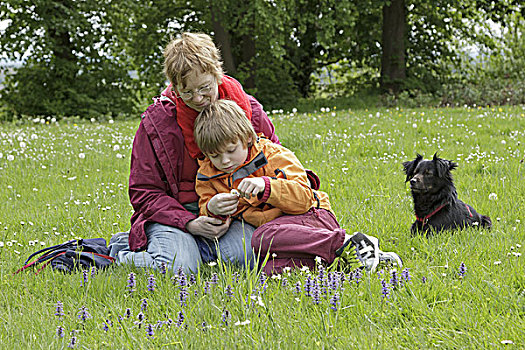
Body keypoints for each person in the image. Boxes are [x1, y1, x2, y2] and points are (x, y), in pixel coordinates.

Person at [109, 32, 279, 274]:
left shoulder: (249, 111)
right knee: (180, 269)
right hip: (176, 215)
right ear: (175, 87)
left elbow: (278, 164)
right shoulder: (158, 123)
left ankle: (186, 250)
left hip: (237, 214)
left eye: (205, 88)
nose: (198, 99)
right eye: (187, 93)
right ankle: (122, 252)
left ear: (218, 74)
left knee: (251, 256)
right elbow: (144, 192)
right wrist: (189, 222)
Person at [194, 100, 403, 274]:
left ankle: (348, 242)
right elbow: (208, 213)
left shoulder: (273, 155)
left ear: (247, 138)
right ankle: (365, 261)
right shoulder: (207, 175)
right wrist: (213, 209)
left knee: (261, 237)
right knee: (268, 270)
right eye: (215, 155)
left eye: (231, 150)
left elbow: (304, 198)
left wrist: (267, 187)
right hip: (284, 239)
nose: (225, 161)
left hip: (311, 218)